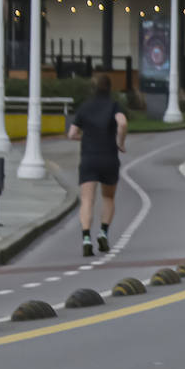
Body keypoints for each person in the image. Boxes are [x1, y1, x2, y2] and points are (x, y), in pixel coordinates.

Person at [66, 74, 128, 257]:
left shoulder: (85, 107)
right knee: (108, 197)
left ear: (93, 88)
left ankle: (86, 238)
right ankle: (103, 233)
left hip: (89, 159)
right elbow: (122, 123)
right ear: (109, 88)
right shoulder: (114, 105)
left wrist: (85, 138)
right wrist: (120, 142)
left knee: (87, 200)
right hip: (109, 158)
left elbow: (71, 134)